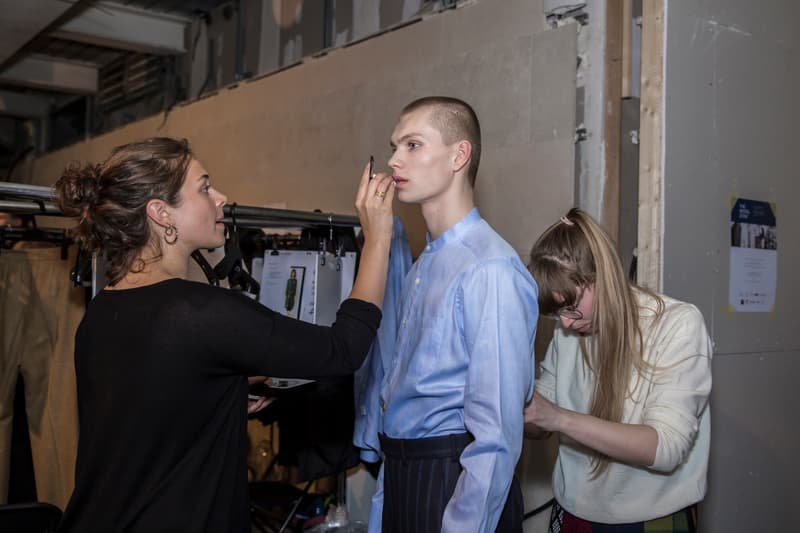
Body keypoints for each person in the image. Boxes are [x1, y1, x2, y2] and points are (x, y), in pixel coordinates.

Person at [53, 137, 396, 532]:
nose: (221, 197)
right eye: (203, 188)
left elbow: (152, 405)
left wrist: (227, 392)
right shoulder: (200, 311)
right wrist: (379, 238)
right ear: (162, 213)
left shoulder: (101, 312)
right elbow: (343, 348)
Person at [364, 97, 539, 532]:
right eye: (394, 145)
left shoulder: (490, 267)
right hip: (408, 472)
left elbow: (497, 434)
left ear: (459, 155)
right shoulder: (427, 262)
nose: (393, 159)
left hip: (453, 481)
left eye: (412, 145)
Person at [524, 207, 713, 533]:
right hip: (573, 512)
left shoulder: (677, 324)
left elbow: (665, 447)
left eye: (570, 308)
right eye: (556, 314)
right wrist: (521, 409)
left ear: (604, 277)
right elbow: (541, 419)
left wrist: (558, 417)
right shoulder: (571, 328)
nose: (565, 323)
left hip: (650, 518)